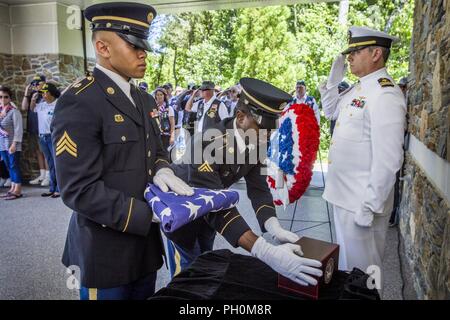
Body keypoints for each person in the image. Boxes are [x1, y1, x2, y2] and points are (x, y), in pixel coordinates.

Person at [51, 2, 194, 300]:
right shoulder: (81, 101)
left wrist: (163, 168)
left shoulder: (143, 99)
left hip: (144, 250)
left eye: (144, 45)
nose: (144, 53)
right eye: (133, 45)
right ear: (102, 47)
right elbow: (78, 189)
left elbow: (155, 151)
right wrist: (150, 214)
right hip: (104, 251)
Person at [166, 77, 323, 287]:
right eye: (263, 130)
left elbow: (259, 190)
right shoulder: (206, 142)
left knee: (206, 265)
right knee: (186, 275)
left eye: (271, 132)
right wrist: (264, 251)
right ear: (241, 117)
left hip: (209, 214)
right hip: (182, 216)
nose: (267, 138)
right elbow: (215, 205)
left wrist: (273, 226)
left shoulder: (256, 140)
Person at [319, 26, 406, 290]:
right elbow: (330, 111)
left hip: (362, 203)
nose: (350, 57)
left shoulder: (385, 93)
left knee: (367, 275)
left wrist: (369, 206)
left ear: (376, 53)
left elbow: (389, 159)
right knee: (348, 272)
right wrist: (332, 82)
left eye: (356, 51)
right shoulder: (360, 89)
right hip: (344, 197)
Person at [30, 82, 60, 198]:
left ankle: (59, 189)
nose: (43, 95)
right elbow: (32, 109)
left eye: (46, 92)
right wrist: (33, 99)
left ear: (52, 93)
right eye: (42, 93)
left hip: (53, 136)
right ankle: (52, 188)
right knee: (50, 164)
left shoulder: (58, 104)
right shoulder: (42, 104)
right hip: (42, 137)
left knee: (57, 163)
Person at [22, 75, 50, 187]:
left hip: (43, 129)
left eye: (38, 83)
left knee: (46, 152)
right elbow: (24, 107)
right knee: (38, 152)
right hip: (33, 128)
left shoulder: (45, 94)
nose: (35, 86)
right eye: (34, 84)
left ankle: (48, 176)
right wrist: (26, 93)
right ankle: (42, 174)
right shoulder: (32, 96)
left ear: (44, 83)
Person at [0, 86, 23, 200]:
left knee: (14, 166)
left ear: (10, 98)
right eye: (0, 97)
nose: (3, 99)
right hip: (2, 144)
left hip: (12, 144)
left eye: (6, 97)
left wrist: (14, 144)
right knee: (8, 166)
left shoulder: (14, 111)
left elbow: (18, 129)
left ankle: (17, 189)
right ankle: (12, 188)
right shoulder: (0, 111)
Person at [153, 87, 175, 151]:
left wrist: (172, 137)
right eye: (157, 95)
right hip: (156, 135)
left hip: (166, 136)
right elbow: (153, 121)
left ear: (164, 96)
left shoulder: (169, 108)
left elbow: (172, 124)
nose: (159, 96)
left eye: (161, 94)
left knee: (165, 155)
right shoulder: (154, 108)